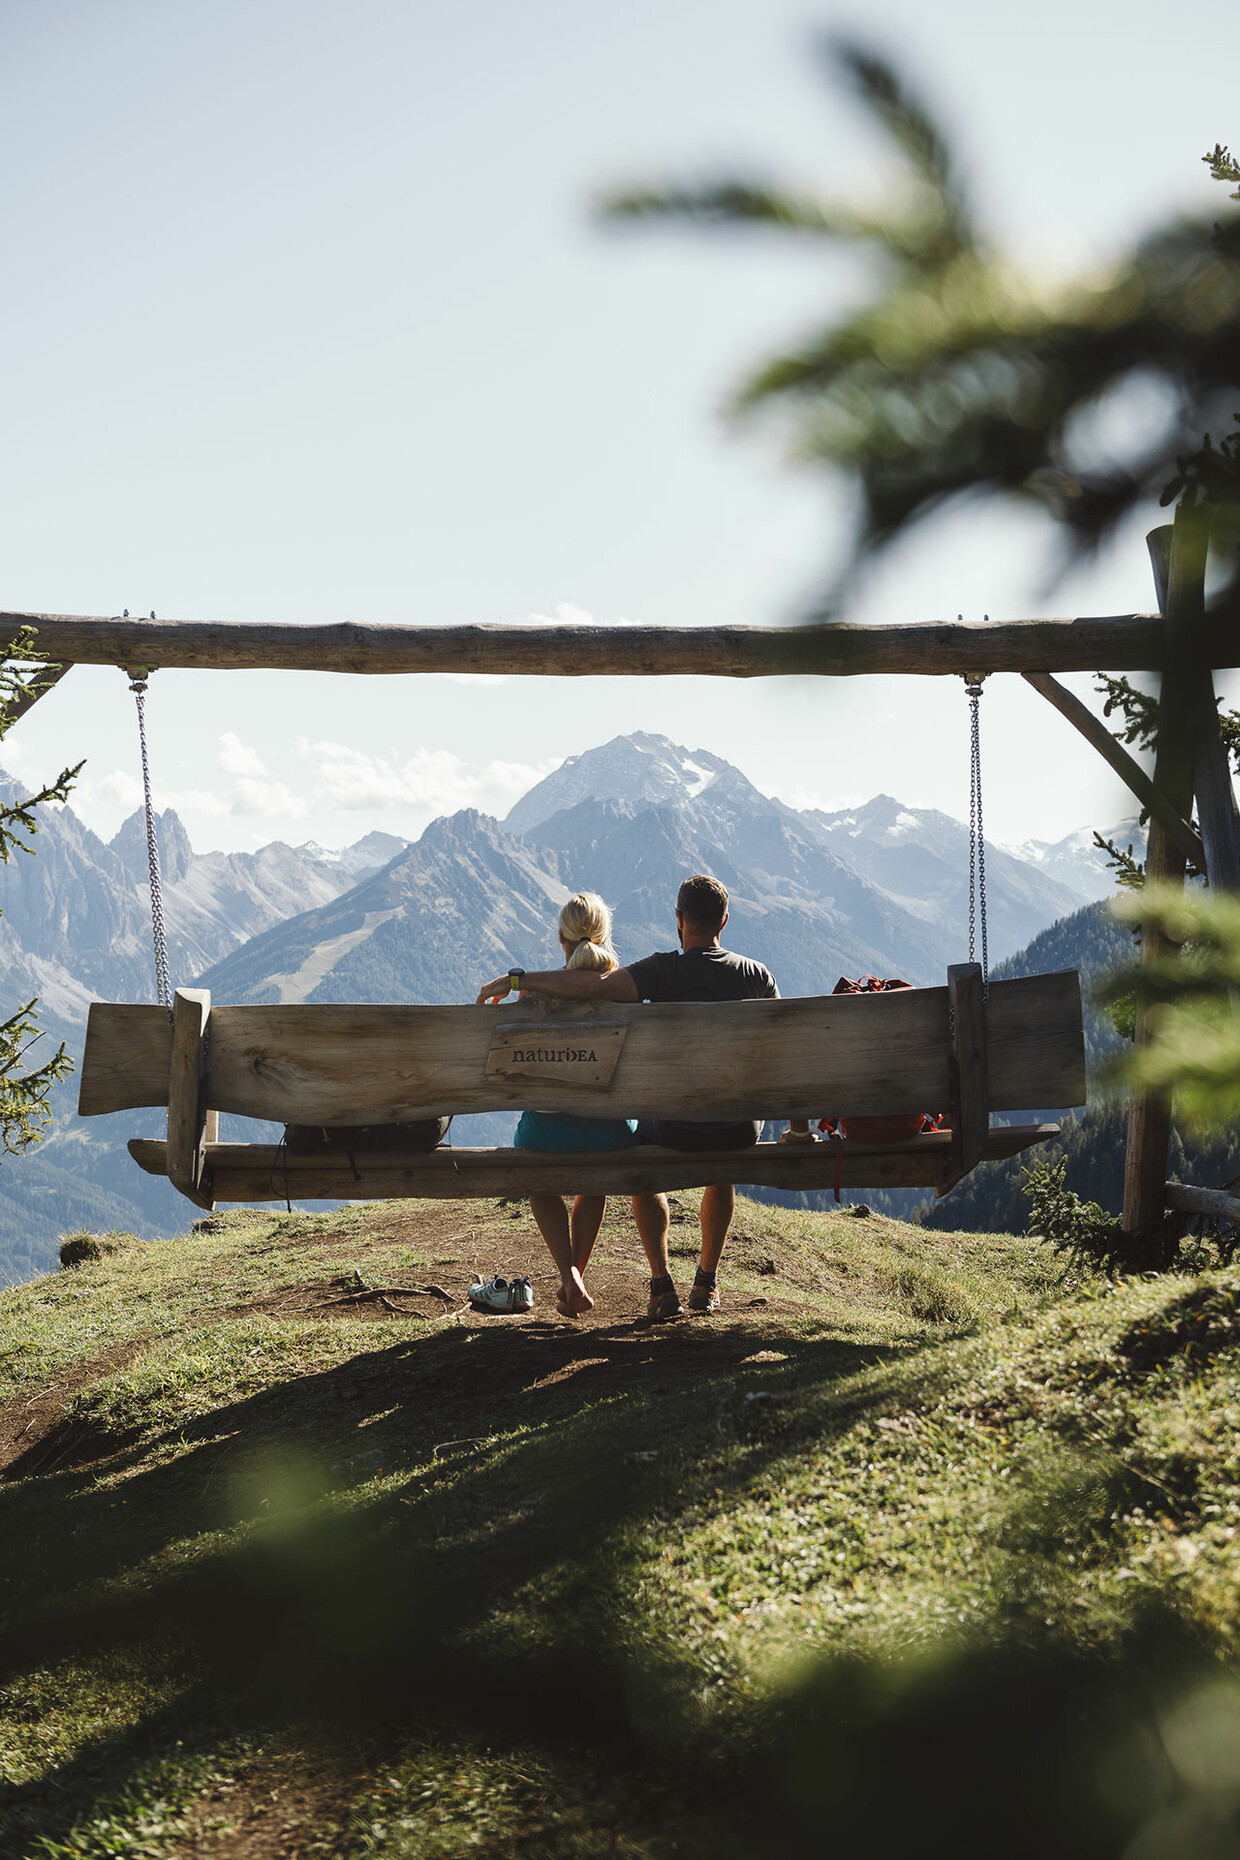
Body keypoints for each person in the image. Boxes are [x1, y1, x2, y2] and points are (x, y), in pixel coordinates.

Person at [477, 874, 779, 1321]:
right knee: (717, 1145)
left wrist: (517, 980)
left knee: (644, 1146)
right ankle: (706, 1281)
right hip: (736, 1130)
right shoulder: (757, 975)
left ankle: (659, 1282)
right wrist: (796, 1128)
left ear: (679, 919)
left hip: (673, 1127)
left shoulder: (662, 971)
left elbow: (595, 986)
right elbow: (782, 1050)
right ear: (725, 922)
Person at [504, 892, 637, 1318]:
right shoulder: (626, 992)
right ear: (604, 936)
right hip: (609, 1133)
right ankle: (576, 1273)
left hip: (546, 1133)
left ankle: (568, 1276)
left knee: (538, 1178)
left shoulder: (535, 996)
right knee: (592, 1177)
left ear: (562, 938)